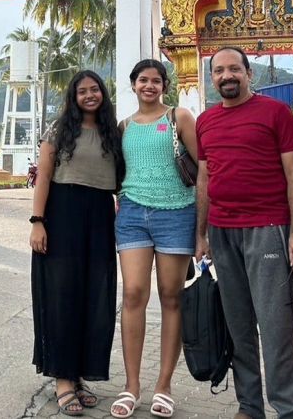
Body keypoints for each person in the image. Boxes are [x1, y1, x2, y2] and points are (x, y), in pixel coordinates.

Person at [195, 46, 293, 419]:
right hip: (222, 232)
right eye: (219, 71)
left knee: (275, 328)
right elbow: (204, 178)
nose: (226, 76)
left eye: (234, 69)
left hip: (268, 229)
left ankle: (288, 410)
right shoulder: (205, 121)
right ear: (212, 78)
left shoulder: (275, 114)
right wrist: (202, 234)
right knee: (238, 326)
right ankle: (249, 406)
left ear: (249, 74)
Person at [30, 70, 124, 416]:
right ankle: (63, 381)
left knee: (94, 297)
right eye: (82, 91)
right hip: (62, 216)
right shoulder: (58, 131)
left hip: (99, 218)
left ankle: (80, 374)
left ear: (103, 94)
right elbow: (43, 178)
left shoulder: (113, 132)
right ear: (73, 96)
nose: (89, 95)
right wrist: (37, 222)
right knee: (63, 296)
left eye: (94, 89)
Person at [110, 59, 198, 419]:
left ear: (165, 85)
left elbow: (202, 165)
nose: (149, 86)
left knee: (171, 297)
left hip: (177, 213)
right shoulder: (124, 126)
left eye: (156, 80)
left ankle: (164, 386)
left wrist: (203, 227)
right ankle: (131, 386)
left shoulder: (179, 117)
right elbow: (116, 173)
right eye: (142, 80)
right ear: (133, 85)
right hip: (132, 214)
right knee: (132, 294)